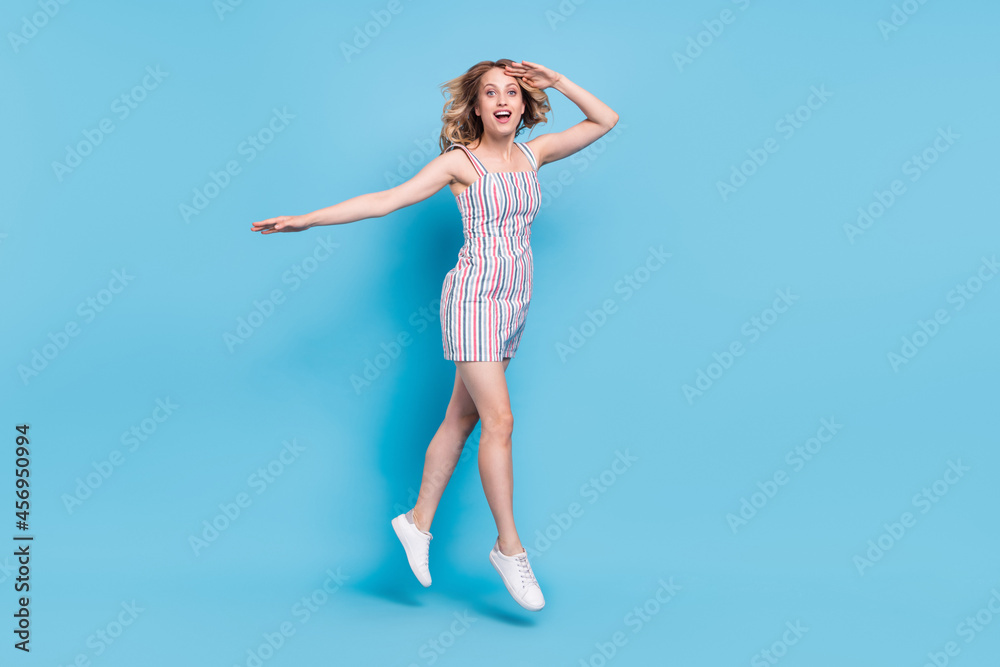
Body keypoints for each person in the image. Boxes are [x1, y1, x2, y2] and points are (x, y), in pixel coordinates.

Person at [251, 59, 618, 611]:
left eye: (512, 92)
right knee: (501, 421)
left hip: (513, 302)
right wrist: (308, 219)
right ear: (475, 106)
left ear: (522, 104)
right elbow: (386, 200)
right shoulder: (459, 164)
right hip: (472, 300)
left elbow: (605, 119)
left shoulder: (532, 154)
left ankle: (417, 523)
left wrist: (557, 80)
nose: (502, 100)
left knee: (461, 419)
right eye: (490, 92)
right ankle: (509, 549)